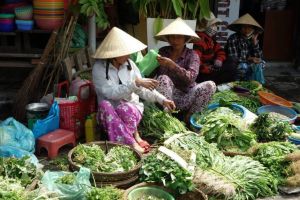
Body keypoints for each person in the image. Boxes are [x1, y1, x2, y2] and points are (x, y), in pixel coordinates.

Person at [92, 27, 175, 154]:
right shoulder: (99, 69)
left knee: (125, 108)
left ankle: (127, 140)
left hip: (130, 110)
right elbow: (111, 93)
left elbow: (143, 89)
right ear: (113, 54)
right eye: (124, 52)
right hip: (108, 114)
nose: (128, 55)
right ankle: (132, 142)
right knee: (105, 104)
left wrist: (163, 100)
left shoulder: (130, 65)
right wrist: (134, 83)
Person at [154, 17, 216, 123]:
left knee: (210, 85)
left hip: (186, 96)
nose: (175, 40)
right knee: (163, 78)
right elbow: (151, 73)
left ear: (185, 39)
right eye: (172, 37)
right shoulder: (162, 51)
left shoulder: (192, 55)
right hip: (166, 97)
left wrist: (172, 65)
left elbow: (190, 79)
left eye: (179, 37)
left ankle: (189, 119)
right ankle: (168, 120)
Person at [193, 12, 237, 84]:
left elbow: (220, 50)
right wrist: (209, 69)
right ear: (205, 26)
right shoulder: (199, 40)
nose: (215, 27)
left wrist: (219, 59)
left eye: (215, 25)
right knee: (231, 67)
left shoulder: (210, 39)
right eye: (213, 25)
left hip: (210, 68)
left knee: (231, 60)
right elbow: (195, 62)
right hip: (202, 75)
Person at [225, 13, 265, 84]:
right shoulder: (233, 38)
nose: (247, 30)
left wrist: (255, 44)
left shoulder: (252, 39)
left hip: (248, 63)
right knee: (243, 66)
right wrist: (250, 58)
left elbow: (259, 57)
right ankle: (237, 83)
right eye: (244, 27)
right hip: (235, 64)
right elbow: (234, 58)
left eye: (250, 27)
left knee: (262, 63)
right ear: (240, 28)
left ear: (253, 29)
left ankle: (253, 83)